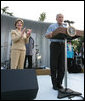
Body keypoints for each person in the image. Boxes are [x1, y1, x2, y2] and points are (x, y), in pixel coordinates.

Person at [45, 14, 66, 90]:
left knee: (62, 66)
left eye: (62, 17)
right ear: (56, 18)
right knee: (54, 65)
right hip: (54, 45)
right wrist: (50, 35)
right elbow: (46, 35)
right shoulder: (52, 26)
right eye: (59, 17)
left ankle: (59, 83)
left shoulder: (65, 27)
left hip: (63, 45)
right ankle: (54, 84)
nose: (61, 18)